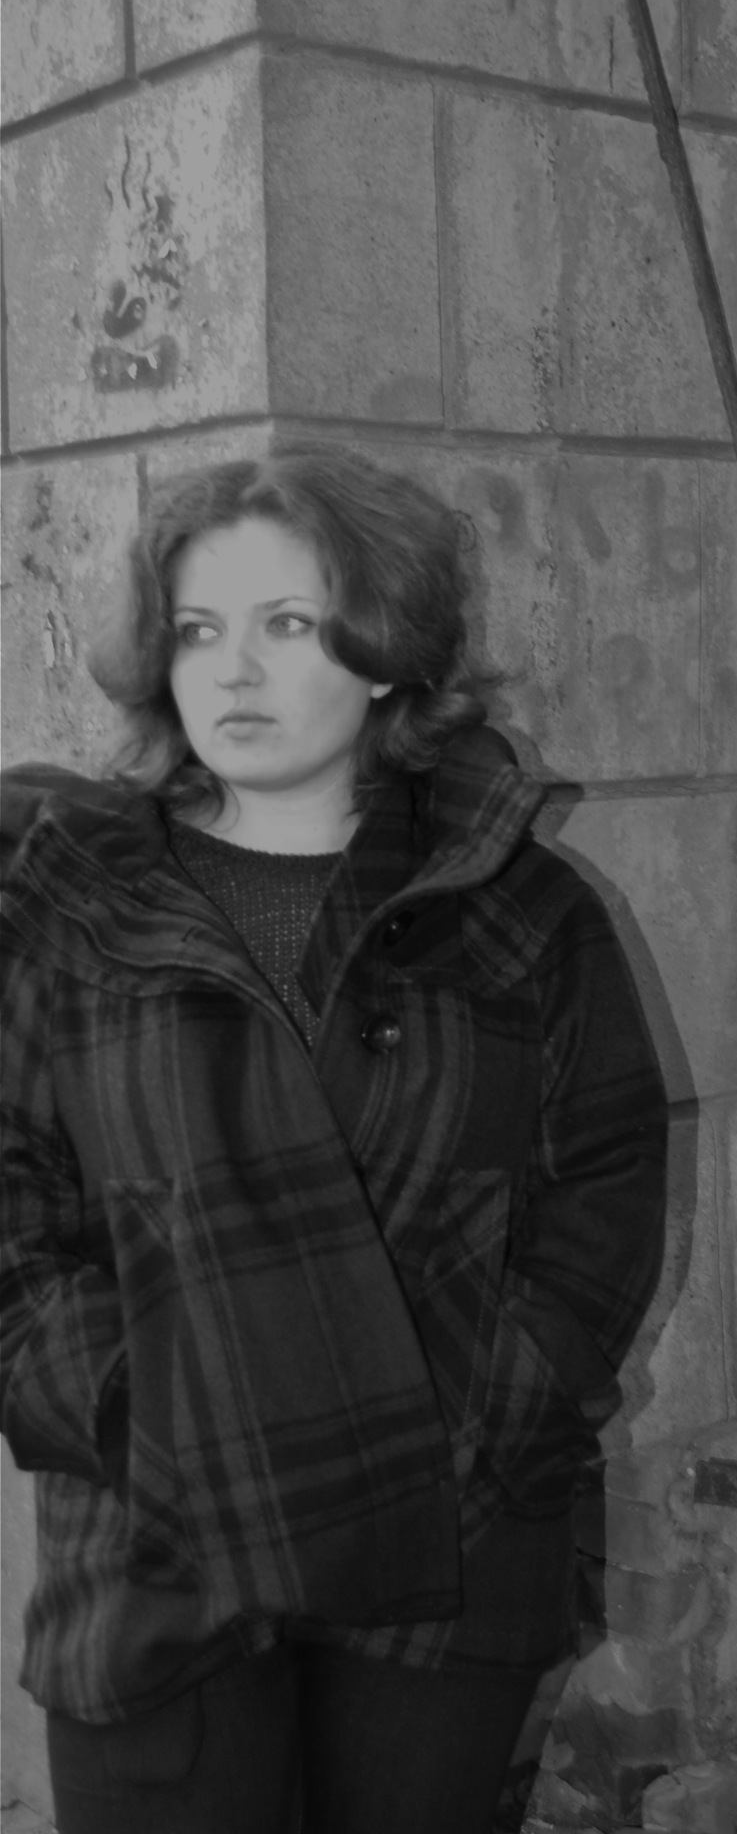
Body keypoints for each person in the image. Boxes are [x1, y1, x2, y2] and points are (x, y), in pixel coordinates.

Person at [0, 447, 668, 1834]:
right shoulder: (65, 902)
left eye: (288, 624)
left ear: (383, 655)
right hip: (154, 1548)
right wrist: (132, 1413)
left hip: (448, 1539)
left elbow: (601, 1198)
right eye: (197, 630)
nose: (232, 671)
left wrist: (496, 1417)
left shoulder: (525, 912)